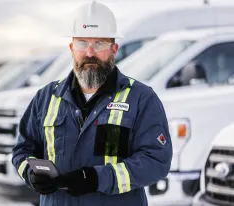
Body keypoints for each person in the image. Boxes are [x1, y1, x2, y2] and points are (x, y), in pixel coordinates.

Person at [12, 0, 172, 205]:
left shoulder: (141, 98)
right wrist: (31, 175)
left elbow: (156, 161)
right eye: (82, 43)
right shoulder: (46, 97)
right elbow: (22, 150)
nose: (89, 53)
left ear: (114, 49)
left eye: (99, 43)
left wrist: (97, 179)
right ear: (71, 48)